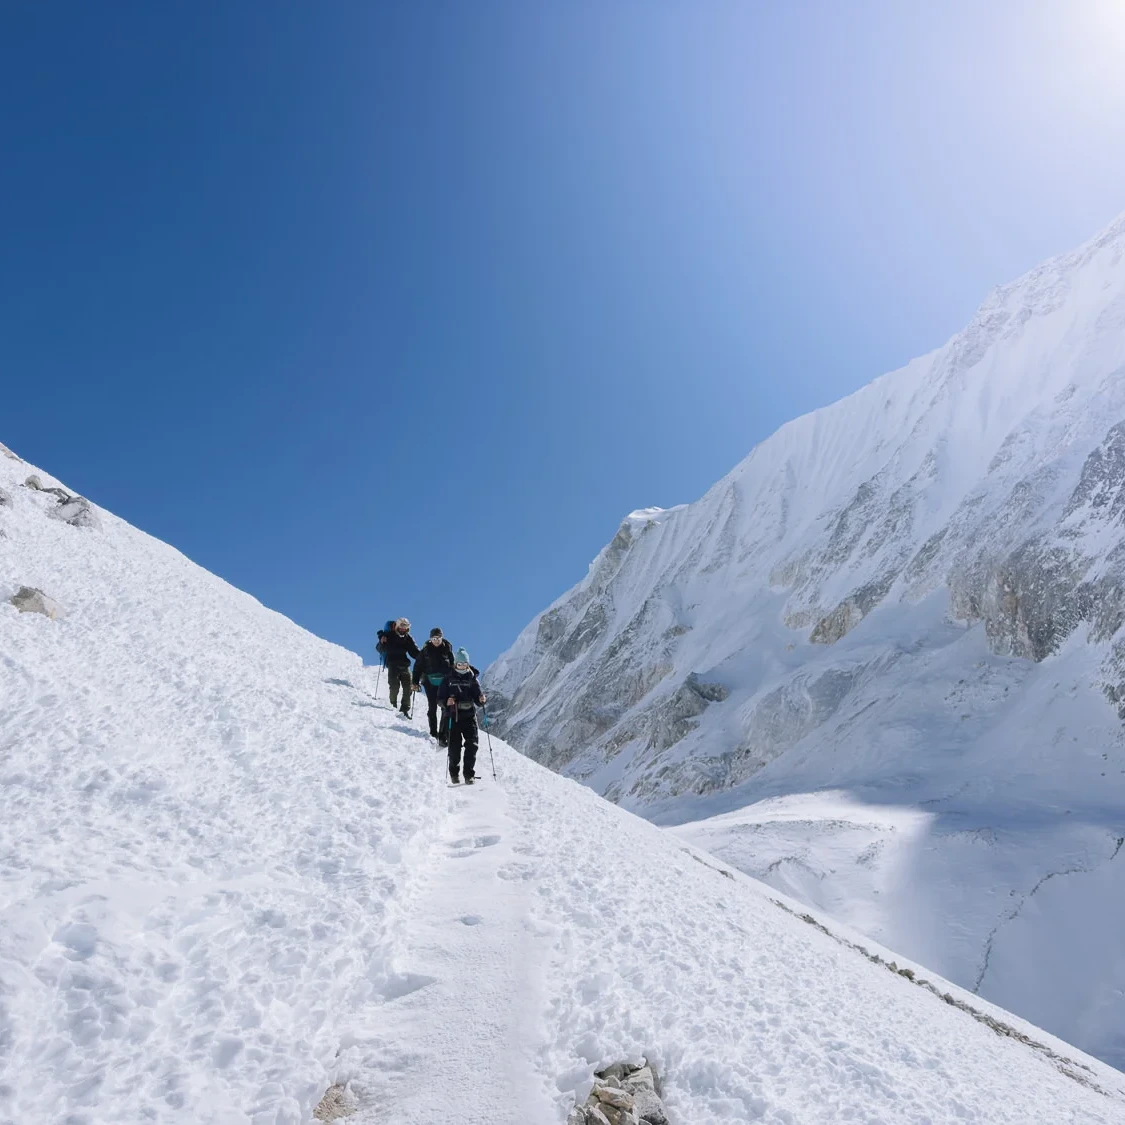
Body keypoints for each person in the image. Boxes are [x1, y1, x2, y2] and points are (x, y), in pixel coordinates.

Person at [439, 648, 486, 784]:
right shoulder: (448, 679)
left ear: (468, 664)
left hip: (469, 716)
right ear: (455, 664)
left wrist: (481, 699)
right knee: (454, 747)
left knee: (472, 745)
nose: (462, 667)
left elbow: (477, 697)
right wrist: (446, 702)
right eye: (459, 664)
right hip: (453, 716)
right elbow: (440, 698)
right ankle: (454, 773)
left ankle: (468, 774)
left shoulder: (472, 679)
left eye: (464, 664)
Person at [412, 627, 455, 743]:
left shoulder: (448, 650)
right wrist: (414, 682)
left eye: (438, 638)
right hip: (429, 682)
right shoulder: (425, 651)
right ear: (430, 639)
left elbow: (453, 666)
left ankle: (443, 734)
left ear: (442, 638)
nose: (436, 640)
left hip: (444, 683)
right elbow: (417, 667)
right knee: (432, 707)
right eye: (434, 638)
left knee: (444, 707)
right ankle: (433, 732)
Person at [376, 617, 421, 717]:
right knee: (394, 686)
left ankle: (405, 709)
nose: (403, 629)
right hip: (392, 663)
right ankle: (393, 705)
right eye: (401, 627)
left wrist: (422, 657)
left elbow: (414, 651)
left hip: (404, 664)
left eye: (405, 628)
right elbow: (379, 648)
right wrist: (381, 642)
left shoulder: (408, 638)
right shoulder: (388, 636)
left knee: (408, 687)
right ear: (397, 626)